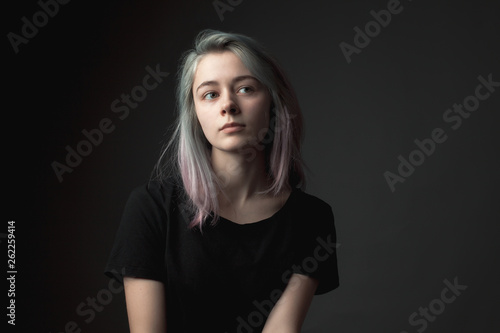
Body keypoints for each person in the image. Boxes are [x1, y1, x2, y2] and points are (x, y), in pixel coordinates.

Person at [105, 29, 339, 333]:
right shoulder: (150, 209)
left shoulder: (312, 219)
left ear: (273, 103)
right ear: (196, 114)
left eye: (245, 89)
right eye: (210, 94)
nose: (227, 105)